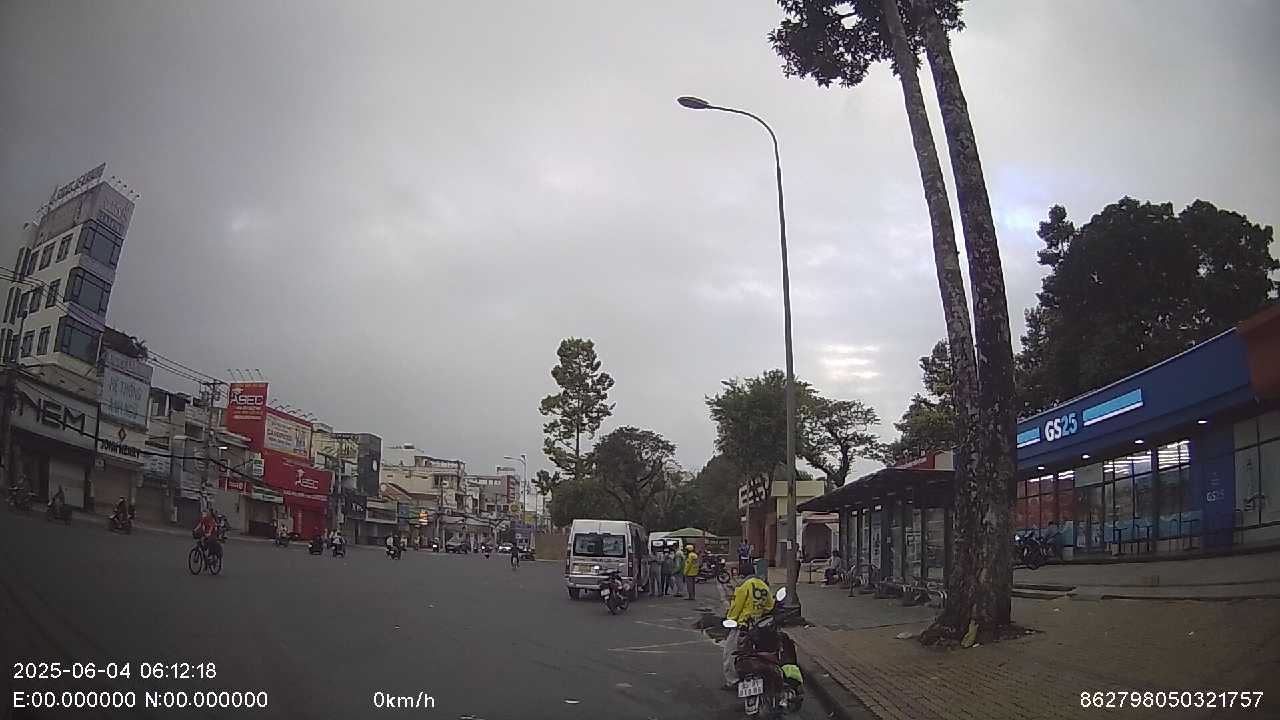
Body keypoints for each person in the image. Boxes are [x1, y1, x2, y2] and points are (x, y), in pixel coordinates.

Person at [722, 566, 775, 690]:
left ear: (743, 576)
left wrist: (730, 619)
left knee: (730, 653)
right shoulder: (764, 586)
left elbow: (737, 606)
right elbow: (769, 606)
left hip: (743, 626)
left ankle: (733, 681)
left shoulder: (744, 586)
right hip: (759, 626)